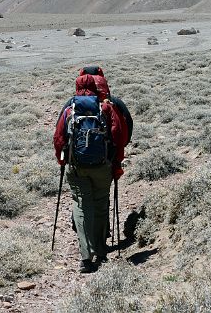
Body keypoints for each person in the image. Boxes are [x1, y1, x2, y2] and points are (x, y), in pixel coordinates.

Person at [53, 65, 129, 273]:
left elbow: (59, 139)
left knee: (81, 205)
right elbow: (119, 138)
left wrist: (63, 161)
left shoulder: (71, 109)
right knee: (101, 203)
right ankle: (101, 251)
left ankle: (86, 257)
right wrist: (116, 163)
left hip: (77, 166)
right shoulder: (106, 108)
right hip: (102, 166)